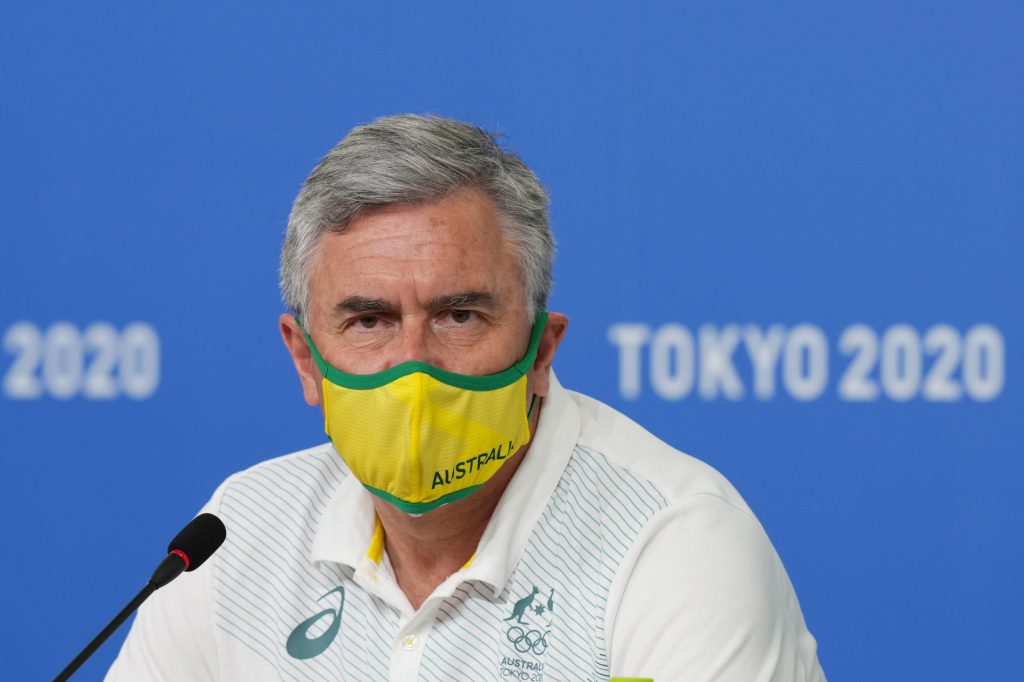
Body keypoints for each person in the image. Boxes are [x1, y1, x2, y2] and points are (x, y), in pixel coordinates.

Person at [108, 114, 825, 681]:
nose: (413, 367)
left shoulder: (672, 548)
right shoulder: (235, 538)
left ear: (541, 350)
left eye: (459, 316)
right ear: (306, 360)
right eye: (369, 320)